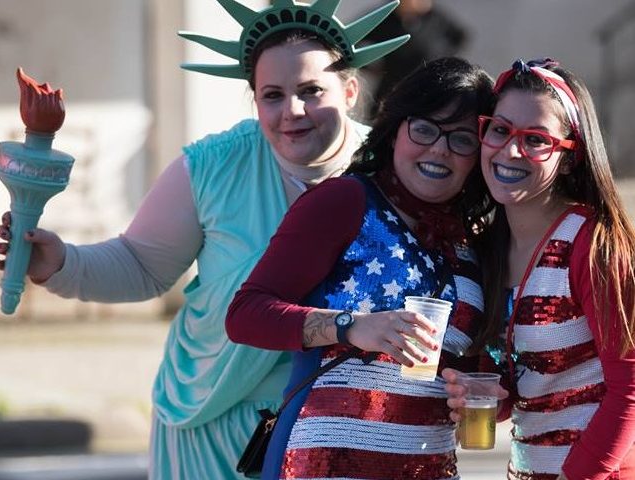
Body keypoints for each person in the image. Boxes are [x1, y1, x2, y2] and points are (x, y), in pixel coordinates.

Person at [0, 1, 410, 478]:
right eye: (271, 95)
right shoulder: (212, 165)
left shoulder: (392, 171)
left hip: (345, 421)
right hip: (210, 419)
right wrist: (61, 263)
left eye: (311, 90)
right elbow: (141, 265)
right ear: (254, 99)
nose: (292, 112)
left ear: (350, 89)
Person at [226, 56, 494, 479]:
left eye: (461, 139)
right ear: (394, 132)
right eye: (424, 128)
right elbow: (245, 315)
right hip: (321, 464)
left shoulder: (475, 240)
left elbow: (480, 369)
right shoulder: (345, 201)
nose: (439, 149)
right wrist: (351, 326)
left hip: (430, 467)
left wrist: (484, 390)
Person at [443, 58, 635, 479]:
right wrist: (490, 396)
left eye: (535, 140)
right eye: (500, 129)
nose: (510, 150)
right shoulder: (488, 247)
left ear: (569, 159)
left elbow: (631, 389)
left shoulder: (593, 242)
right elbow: (535, 386)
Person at [361, 0, 468, 118]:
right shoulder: (384, 16)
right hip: (392, 88)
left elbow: (459, 37)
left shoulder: (436, 18)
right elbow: (354, 37)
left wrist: (446, 60)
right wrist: (368, 65)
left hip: (428, 89)